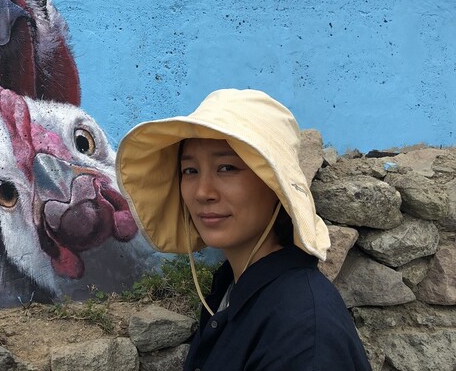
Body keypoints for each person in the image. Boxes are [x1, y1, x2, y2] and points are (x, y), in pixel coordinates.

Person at [115, 89, 371, 371]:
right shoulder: (232, 291)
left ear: (275, 185)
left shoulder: (304, 333)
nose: (202, 192)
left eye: (227, 168)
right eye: (190, 171)